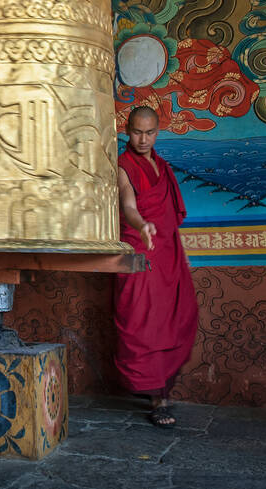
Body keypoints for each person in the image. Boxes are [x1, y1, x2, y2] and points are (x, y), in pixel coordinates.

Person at [114, 106, 198, 428]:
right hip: (140, 252)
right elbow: (128, 205)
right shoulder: (123, 166)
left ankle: (162, 390)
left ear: (158, 131)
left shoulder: (162, 167)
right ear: (127, 130)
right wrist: (142, 225)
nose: (143, 139)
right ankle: (156, 397)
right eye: (137, 132)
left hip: (167, 253)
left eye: (149, 132)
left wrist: (183, 252)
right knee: (145, 322)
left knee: (175, 317)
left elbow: (171, 220)